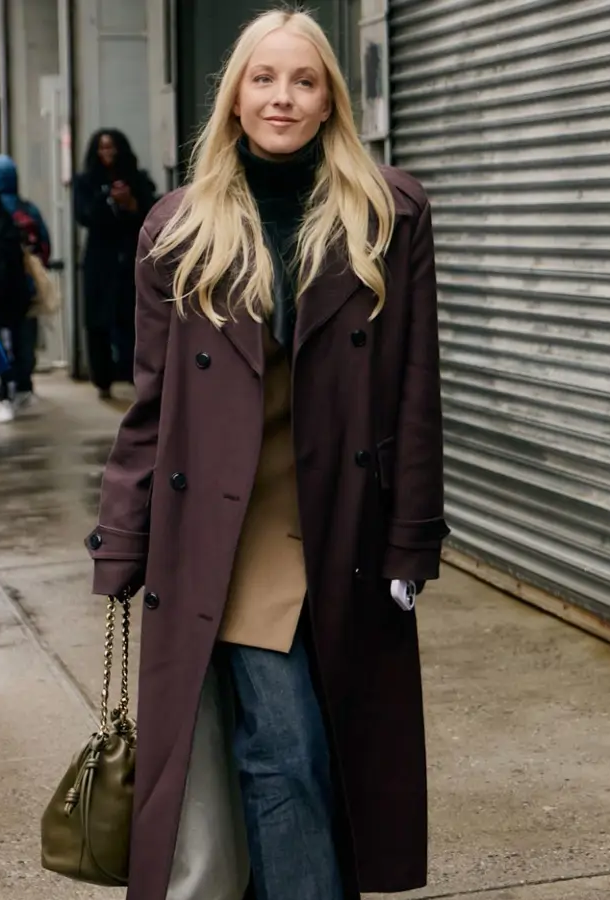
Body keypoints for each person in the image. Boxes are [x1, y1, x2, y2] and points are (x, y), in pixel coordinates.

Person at [86, 9, 448, 900]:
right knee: (281, 749)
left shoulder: (389, 213)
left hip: (338, 521)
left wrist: (412, 534)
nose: (281, 97)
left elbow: (414, 387)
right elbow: (152, 403)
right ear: (234, 97)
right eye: (263, 78)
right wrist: (123, 535)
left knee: (317, 749)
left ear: (331, 100)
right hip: (226, 524)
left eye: (303, 80)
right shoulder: (177, 227)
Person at [74, 129, 156, 399]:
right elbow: (84, 216)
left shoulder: (139, 180)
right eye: (101, 148)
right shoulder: (85, 182)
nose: (106, 153)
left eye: (111, 148)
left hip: (133, 256)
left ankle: (137, 375)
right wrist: (108, 199)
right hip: (100, 258)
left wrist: (130, 203)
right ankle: (102, 379)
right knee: (97, 321)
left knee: (133, 318)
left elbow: (150, 213)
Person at [0, 154, 52, 419]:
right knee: (24, 336)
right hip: (25, 285)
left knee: (1, 337)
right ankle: (22, 384)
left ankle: (8, 384)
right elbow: (44, 243)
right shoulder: (26, 209)